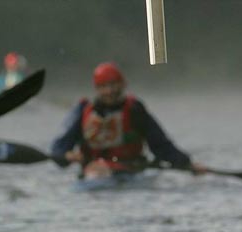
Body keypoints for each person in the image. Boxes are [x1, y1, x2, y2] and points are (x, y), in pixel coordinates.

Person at [50, 62, 206, 178]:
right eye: (103, 86)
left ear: (123, 85)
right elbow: (59, 149)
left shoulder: (135, 110)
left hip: (131, 170)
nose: (109, 91)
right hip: (94, 173)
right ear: (96, 89)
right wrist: (65, 156)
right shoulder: (82, 111)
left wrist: (187, 163)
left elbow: (160, 145)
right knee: (96, 174)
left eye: (113, 85)